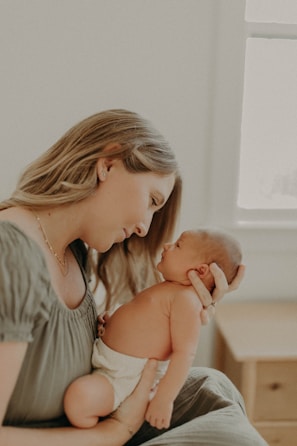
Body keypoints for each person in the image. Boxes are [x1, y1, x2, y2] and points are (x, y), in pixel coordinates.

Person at [0, 109, 266, 446]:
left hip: (91, 419)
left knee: (212, 388)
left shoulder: (73, 252)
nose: (144, 227)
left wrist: (183, 304)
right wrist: (112, 433)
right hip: (87, 436)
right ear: (107, 165)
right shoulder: (11, 252)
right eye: (152, 201)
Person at [64, 228, 242, 430]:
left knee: (79, 400)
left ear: (201, 271)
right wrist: (113, 321)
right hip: (111, 362)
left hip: (124, 378)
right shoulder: (171, 289)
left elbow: (184, 353)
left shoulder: (187, 300)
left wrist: (164, 399)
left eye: (178, 245)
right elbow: (146, 323)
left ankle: (98, 434)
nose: (167, 245)